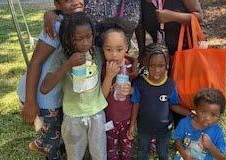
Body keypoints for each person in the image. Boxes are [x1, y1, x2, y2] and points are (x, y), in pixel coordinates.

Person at [16, 0, 84, 159]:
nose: (75, 2)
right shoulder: (56, 26)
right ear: (58, 4)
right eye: (67, 0)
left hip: (56, 90)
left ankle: (41, 142)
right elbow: (35, 63)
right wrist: (31, 102)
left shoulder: (78, 22)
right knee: (53, 142)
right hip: (42, 94)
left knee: (56, 131)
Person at [40, 12, 108, 160]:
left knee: (99, 154)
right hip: (73, 116)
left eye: (89, 36)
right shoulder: (62, 56)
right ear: (68, 39)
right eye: (79, 39)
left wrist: (132, 60)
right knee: (75, 155)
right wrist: (68, 64)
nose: (85, 42)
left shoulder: (97, 52)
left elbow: (116, 55)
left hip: (96, 113)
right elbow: (44, 88)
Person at [128, 43, 191, 160]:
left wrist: (189, 113)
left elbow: (173, 106)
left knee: (163, 151)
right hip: (144, 127)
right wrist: (132, 124)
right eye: (152, 65)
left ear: (167, 64)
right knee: (142, 150)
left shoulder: (170, 85)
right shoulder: (140, 84)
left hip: (164, 128)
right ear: (146, 64)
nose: (157, 70)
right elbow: (136, 103)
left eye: (161, 65)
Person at [98, 18, 135, 160]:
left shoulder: (132, 67)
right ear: (103, 49)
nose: (114, 54)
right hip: (109, 120)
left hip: (126, 120)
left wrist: (130, 90)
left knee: (126, 151)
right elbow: (101, 97)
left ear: (126, 48)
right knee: (111, 151)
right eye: (108, 49)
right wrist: (109, 76)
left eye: (119, 49)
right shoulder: (103, 68)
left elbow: (138, 94)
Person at [173, 88, 226, 160]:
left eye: (213, 115)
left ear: (219, 115)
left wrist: (210, 145)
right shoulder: (184, 123)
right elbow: (177, 139)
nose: (207, 118)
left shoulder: (217, 131)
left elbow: (221, 157)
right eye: (203, 112)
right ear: (195, 109)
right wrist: (184, 154)